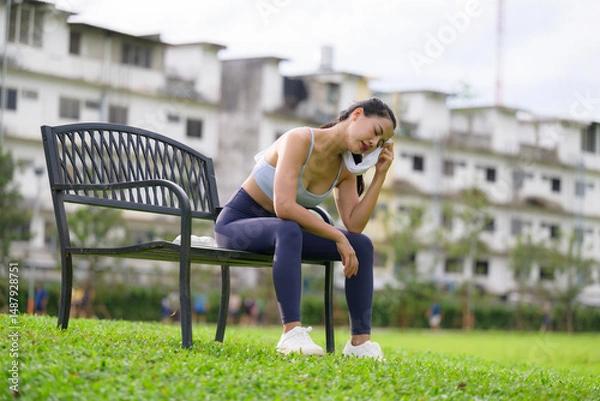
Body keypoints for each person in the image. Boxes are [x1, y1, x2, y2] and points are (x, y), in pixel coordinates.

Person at [215, 97, 397, 358]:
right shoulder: (299, 139)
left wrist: (380, 174)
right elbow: (285, 207)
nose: (373, 144)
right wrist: (335, 235)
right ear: (357, 114)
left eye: (380, 143)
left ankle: (359, 343)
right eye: (376, 132)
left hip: (284, 234)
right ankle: (291, 333)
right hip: (237, 226)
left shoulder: (346, 168)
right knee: (287, 227)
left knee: (362, 244)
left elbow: (355, 225)